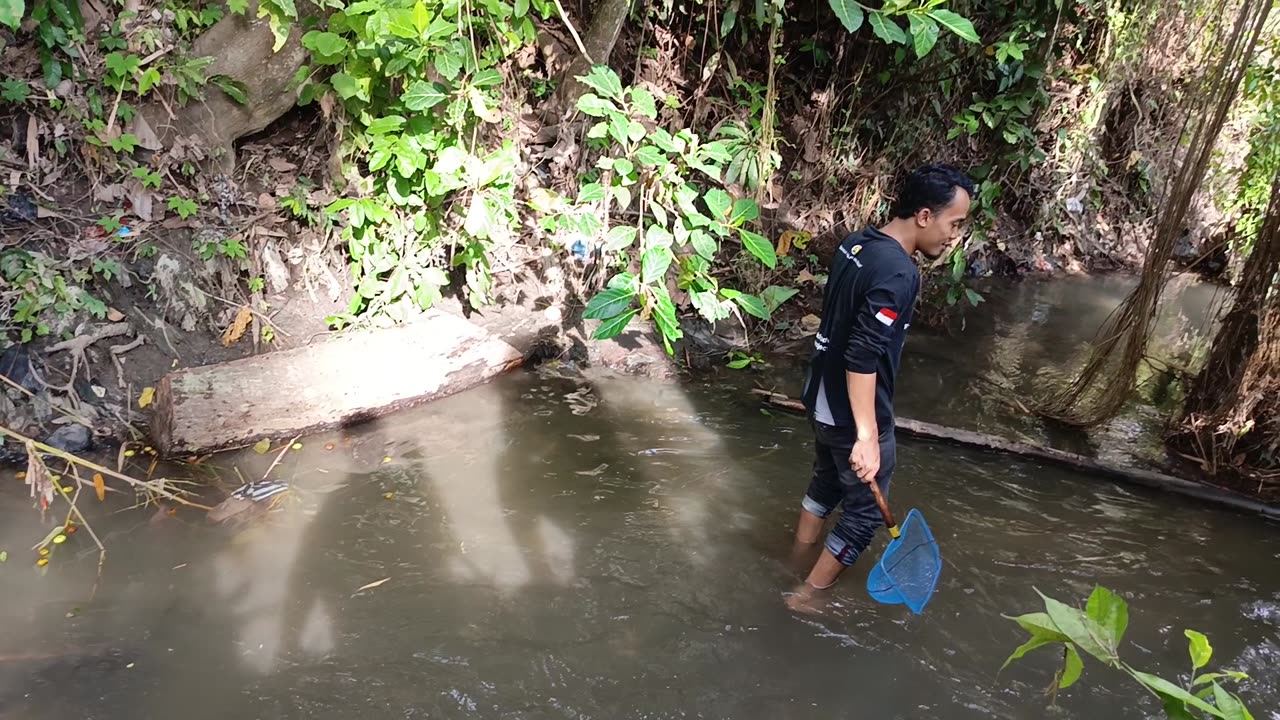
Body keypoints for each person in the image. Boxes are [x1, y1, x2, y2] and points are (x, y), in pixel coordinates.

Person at [787, 163, 973, 605]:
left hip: (821, 397)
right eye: (954, 224)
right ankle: (805, 598)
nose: (954, 237)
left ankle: (796, 556)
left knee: (828, 482)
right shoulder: (899, 272)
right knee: (865, 513)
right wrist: (868, 436)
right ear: (925, 216)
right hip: (852, 411)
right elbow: (862, 353)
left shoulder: (857, 243)